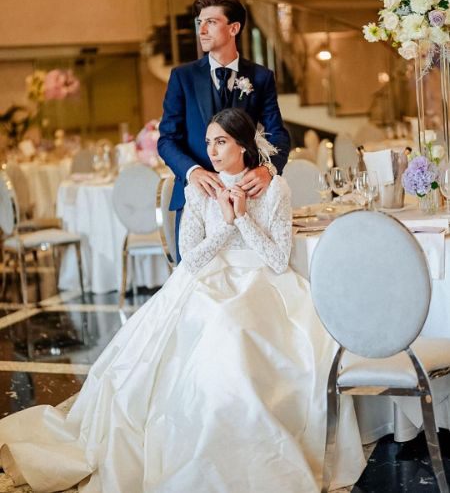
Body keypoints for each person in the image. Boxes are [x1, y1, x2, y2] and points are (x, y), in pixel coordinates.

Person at [0, 109, 365, 493]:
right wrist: (225, 224)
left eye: (221, 141)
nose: (212, 151)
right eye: (208, 143)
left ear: (243, 145)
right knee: (217, 323)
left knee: (247, 329)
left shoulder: (274, 188)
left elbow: (275, 259)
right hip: (206, 278)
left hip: (262, 281)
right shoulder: (198, 190)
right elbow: (190, 258)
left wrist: (242, 217)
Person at [157, 0, 291, 257]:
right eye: (200, 22)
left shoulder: (261, 77)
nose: (202, 30)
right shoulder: (182, 77)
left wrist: (268, 169)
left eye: (211, 22)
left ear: (234, 28)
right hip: (197, 198)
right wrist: (193, 171)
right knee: (195, 282)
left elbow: (278, 134)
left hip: (247, 200)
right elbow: (167, 140)